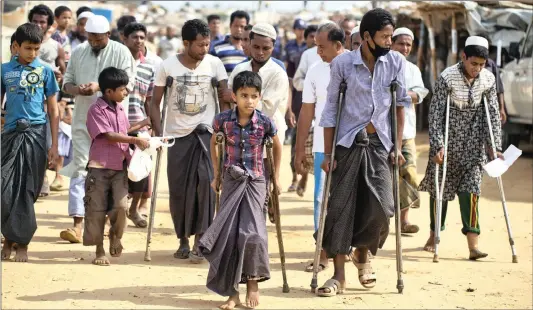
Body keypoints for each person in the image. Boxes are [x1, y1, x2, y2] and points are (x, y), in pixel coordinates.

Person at [315, 8, 411, 296]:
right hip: (347, 143)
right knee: (341, 208)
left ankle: (363, 252)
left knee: (383, 208)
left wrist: (396, 144)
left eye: (391, 37)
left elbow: (399, 105)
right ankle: (339, 276)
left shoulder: (395, 62)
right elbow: (331, 108)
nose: (389, 42)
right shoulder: (344, 64)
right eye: (384, 37)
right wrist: (329, 153)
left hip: (380, 143)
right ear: (367, 37)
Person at [199, 71, 282, 310]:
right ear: (234, 96)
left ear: (259, 97)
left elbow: (276, 147)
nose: (249, 101)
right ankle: (232, 292)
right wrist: (216, 174)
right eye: (244, 95)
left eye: (254, 96)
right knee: (230, 235)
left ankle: (253, 282)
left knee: (253, 233)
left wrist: (274, 176)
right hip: (231, 179)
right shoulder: (222, 120)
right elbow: (214, 142)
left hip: (256, 181)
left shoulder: (265, 122)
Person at [150, 19, 228, 263]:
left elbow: (224, 98)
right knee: (180, 190)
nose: (205, 49)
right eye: (200, 45)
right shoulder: (167, 66)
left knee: (207, 183)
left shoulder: (215, 65)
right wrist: (158, 131)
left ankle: (201, 240)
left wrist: (225, 128)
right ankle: (183, 239)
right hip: (176, 135)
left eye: (207, 44)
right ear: (186, 44)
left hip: (206, 134)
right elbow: (154, 102)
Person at [419, 36, 503, 260]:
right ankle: (434, 233)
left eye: (482, 65)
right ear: (463, 57)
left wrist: (494, 146)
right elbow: (436, 113)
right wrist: (437, 144)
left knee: (472, 192)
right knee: (440, 192)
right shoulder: (447, 77)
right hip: (448, 142)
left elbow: (492, 114)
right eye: (473, 63)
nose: (477, 69)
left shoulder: (488, 79)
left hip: (474, 144)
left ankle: (473, 244)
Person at [59, 14, 135, 244]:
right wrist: (78, 89)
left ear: (108, 36)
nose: (93, 42)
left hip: (113, 124)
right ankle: (77, 225)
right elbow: (66, 83)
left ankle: (110, 226)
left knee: (111, 173)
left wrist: (99, 87)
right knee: (81, 167)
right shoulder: (80, 51)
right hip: (83, 120)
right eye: (90, 37)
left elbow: (128, 84)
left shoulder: (121, 52)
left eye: (98, 39)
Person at [1, 23, 60, 262]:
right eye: (28, 48)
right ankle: (9, 238)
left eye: (36, 48)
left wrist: (54, 145)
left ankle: (22, 243)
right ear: (16, 46)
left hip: (36, 135)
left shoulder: (45, 72)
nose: (32, 53)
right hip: (10, 136)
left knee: (28, 190)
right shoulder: (4, 70)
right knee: (5, 189)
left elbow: (53, 111)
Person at [294, 22, 347, 272]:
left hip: (351, 144)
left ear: (338, 45)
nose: (318, 52)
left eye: (322, 47)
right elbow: (306, 112)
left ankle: (346, 250)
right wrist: (297, 151)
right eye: (316, 46)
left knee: (347, 197)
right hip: (320, 145)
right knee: (320, 198)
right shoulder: (315, 71)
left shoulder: (356, 66)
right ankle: (322, 252)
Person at [84, 67, 151, 266]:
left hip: (120, 166)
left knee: (121, 206)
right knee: (97, 210)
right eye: (122, 89)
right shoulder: (96, 110)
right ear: (108, 91)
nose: (126, 92)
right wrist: (133, 139)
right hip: (100, 167)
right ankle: (99, 250)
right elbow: (109, 135)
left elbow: (121, 130)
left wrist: (142, 124)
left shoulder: (119, 108)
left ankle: (116, 236)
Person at [228, 23, 289, 222]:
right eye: (256, 47)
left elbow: (267, 109)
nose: (261, 52)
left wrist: (242, 101)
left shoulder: (278, 73)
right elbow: (231, 99)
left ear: (273, 47)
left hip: (267, 137)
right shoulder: (239, 69)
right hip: (239, 136)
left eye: (266, 48)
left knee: (261, 187)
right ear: (249, 44)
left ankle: (257, 231)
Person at [391, 28, 429, 234]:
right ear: (392, 43)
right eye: (401, 44)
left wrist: (405, 95)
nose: (405, 48)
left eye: (408, 44)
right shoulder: (382, 65)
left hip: (406, 133)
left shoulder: (413, 69)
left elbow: (420, 92)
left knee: (410, 175)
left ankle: (404, 220)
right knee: (386, 177)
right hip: (383, 132)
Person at [123, 22, 160, 228]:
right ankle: (115, 212)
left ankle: (134, 209)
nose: (138, 41)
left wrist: (153, 124)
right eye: (134, 37)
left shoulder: (150, 66)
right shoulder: (117, 63)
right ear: (125, 39)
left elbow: (150, 100)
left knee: (142, 170)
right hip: (117, 125)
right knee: (117, 171)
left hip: (140, 124)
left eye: (142, 37)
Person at [284, 19, 309, 194]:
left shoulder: (314, 52)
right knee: (295, 138)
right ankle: (294, 177)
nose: (300, 31)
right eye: (298, 28)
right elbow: (288, 73)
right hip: (296, 94)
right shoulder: (290, 46)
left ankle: (305, 177)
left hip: (311, 97)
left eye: (303, 29)